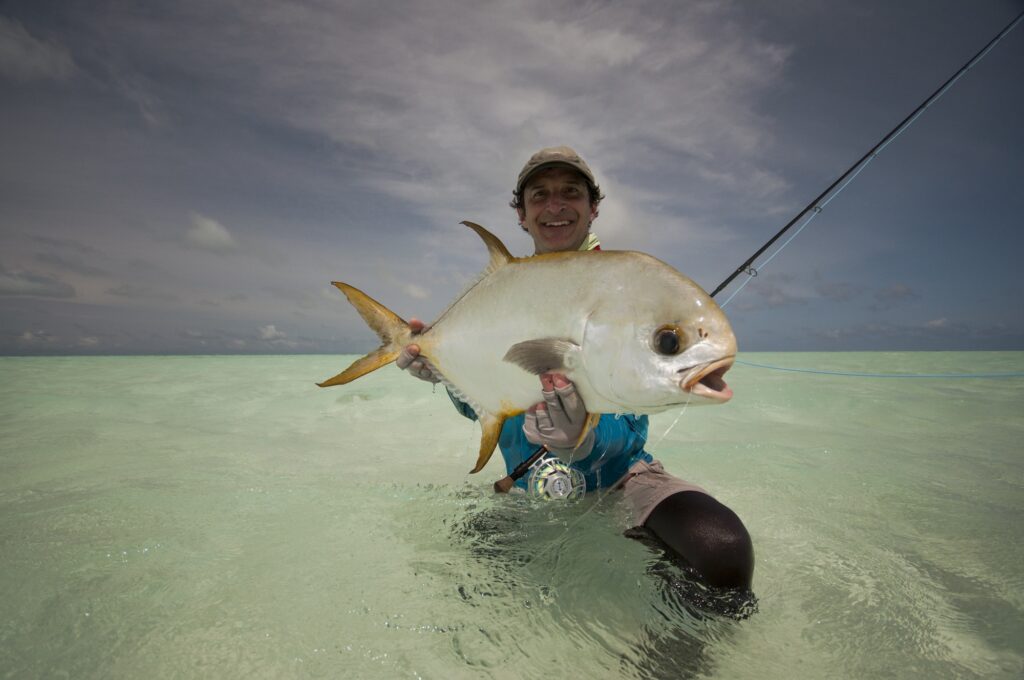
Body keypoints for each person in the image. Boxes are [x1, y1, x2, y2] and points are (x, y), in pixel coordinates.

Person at [398, 146, 754, 590]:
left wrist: (579, 441)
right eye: (539, 195)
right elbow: (483, 403)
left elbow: (627, 404)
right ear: (522, 215)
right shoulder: (502, 289)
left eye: (570, 192)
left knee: (722, 551)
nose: (555, 205)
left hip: (621, 479)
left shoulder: (621, 284)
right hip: (526, 487)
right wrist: (440, 372)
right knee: (466, 576)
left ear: (593, 209)